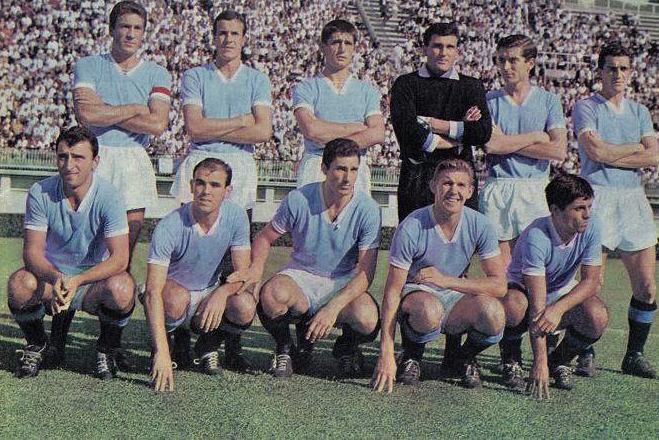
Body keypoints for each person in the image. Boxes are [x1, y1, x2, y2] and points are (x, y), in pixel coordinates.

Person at [227, 138, 381, 379]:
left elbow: (365, 273)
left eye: (353, 170)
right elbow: (264, 238)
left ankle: (346, 348)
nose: (348, 178)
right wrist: (256, 268)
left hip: (342, 280)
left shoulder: (368, 209)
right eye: (341, 169)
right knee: (271, 295)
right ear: (324, 168)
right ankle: (286, 348)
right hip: (301, 278)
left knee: (368, 318)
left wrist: (332, 308)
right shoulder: (299, 199)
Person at [389, 21, 492, 366]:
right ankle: (412, 351)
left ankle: (453, 350)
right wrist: (459, 133)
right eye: (436, 46)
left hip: (459, 182)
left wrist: (434, 124)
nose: (443, 52)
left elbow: (482, 132)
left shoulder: (471, 86)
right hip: (417, 180)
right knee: (414, 265)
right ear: (425, 48)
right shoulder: (406, 84)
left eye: (449, 47)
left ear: (458, 50)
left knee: (458, 264)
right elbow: (407, 131)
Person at [7, 126, 135, 380]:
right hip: (51, 281)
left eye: (78, 157)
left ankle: (106, 347)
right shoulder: (40, 191)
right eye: (63, 156)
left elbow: (120, 258)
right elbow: (32, 252)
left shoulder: (109, 196)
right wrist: (57, 278)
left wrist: (77, 280)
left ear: (95, 162)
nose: (69, 165)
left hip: (90, 284)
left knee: (122, 288)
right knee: (19, 284)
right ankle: (37, 344)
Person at [372, 159, 506, 392]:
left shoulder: (480, 224)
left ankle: (463, 357)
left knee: (493, 313)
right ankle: (412, 355)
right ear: (433, 186)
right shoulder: (412, 226)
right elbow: (392, 291)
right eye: (447, 183)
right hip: (418, 294)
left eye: (461, 185)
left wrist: (446, 281)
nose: (454, 190)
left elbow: (499, 285)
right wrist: (386, 352)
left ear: (470, 191)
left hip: (454, 294)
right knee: (428, 310)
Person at [572, 42, 659, 379]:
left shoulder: (640, 112)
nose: (618, 74)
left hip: (634, 200)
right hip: (599, 197)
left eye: (623, 68)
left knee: (647, 288)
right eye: (611, 68)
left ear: (631, 72)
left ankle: (634, 355)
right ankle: (584, 350)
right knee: (592, 284)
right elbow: (595, 152)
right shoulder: (586, 107)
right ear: (600, 71)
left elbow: (653, 157)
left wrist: (614, 152)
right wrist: (635, 148)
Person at [142, 158, 256, 392]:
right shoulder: (170, 225)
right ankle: (167, 345)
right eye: (200, 183)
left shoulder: (236, 216)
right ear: (192, 186)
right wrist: (161, 353)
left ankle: (207, 345)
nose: (206, 191)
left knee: (245, 304)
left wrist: (221, 293)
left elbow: (243, 275)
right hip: (171, 296)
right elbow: (153, 291)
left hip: (207, 293)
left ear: (227, 191)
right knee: (176, 299)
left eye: (215, 185)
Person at [74, 0, 171, 261]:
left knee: (124, 249)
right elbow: (86, 115)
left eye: (137, 28)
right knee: (85, 242)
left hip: (133, 158)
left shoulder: (157, 73)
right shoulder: (88, 65)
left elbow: (157, 124)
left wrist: (105, 111)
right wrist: (136, 109)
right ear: (111, 29)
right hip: (95, 154)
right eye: (124, 26)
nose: (130, 34)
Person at [499, 174, 608, 397]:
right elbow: (537, 305)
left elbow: (590, 282)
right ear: (555, 210)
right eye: (579, 208)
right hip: (524, 292)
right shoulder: (536, 236)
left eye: (589, 206)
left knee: (597, 315)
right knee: (514, 304)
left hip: (559, 291)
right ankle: (511, 357)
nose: (587, 214)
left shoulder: (592, 226)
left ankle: (559, 360)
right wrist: (538, 362)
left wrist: (558, 308)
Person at [170, 9, 273, 219]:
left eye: (235, 34)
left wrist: (210, 129)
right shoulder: (195, 76)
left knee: (236, 236)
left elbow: (263, 132)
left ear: (243, 39)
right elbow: (195, 128)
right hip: (201, 161)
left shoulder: (258, 79)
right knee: (192, 234)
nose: (229, 39)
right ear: (214, 37)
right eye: (223, 33)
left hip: (241, 165)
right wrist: (241, 121)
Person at [481, 35, 567, 267]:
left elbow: (558, 150)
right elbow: (491, 145)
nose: (506, 66)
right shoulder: (488, 100)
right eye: (501, 60)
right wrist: (537, 136)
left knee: (534, 265)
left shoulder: (549, 101)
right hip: (498, 186)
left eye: (513, 60)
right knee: (501, 270)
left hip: (536, 188)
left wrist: (506, 142)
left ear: (530, 63)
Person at [293, 19, 385, 193]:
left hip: (355, 166)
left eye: (348, 43)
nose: (342, 49)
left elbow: (377, 133)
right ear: (323, 47)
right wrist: (356, 128)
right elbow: (311, 130)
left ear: (354, 48)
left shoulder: (367, 90)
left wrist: (326, 131)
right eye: (336, 42)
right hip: (317, 165)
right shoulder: (306, 87)